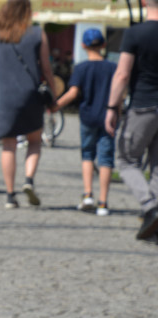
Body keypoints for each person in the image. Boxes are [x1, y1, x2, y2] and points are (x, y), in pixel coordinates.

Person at [0, 0, 56, 210]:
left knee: (8, 145)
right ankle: (29, 180)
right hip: (30, 94)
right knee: (34, 140)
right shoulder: (37, 33)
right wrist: (53, 92)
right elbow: (46, 66)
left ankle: (10, 195)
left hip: (4, 95)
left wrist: (4, 70)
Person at [106, 0, 158, 240]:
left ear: (144, 2)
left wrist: (112, 107)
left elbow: (122, 74)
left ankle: (150, 207)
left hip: (143, 106)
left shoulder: (135, 34)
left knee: (126, 160)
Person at [54, 28, 116, 216]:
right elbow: (119, 94)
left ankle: (88, 194)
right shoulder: (113, 68)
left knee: (87, 154)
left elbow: (73, 93)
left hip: (88, 116)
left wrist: (55, 106)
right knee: (106, 158)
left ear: (83, 45)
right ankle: (103, 202)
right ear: (103, 45)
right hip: (108, 118)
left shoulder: (80, 68)